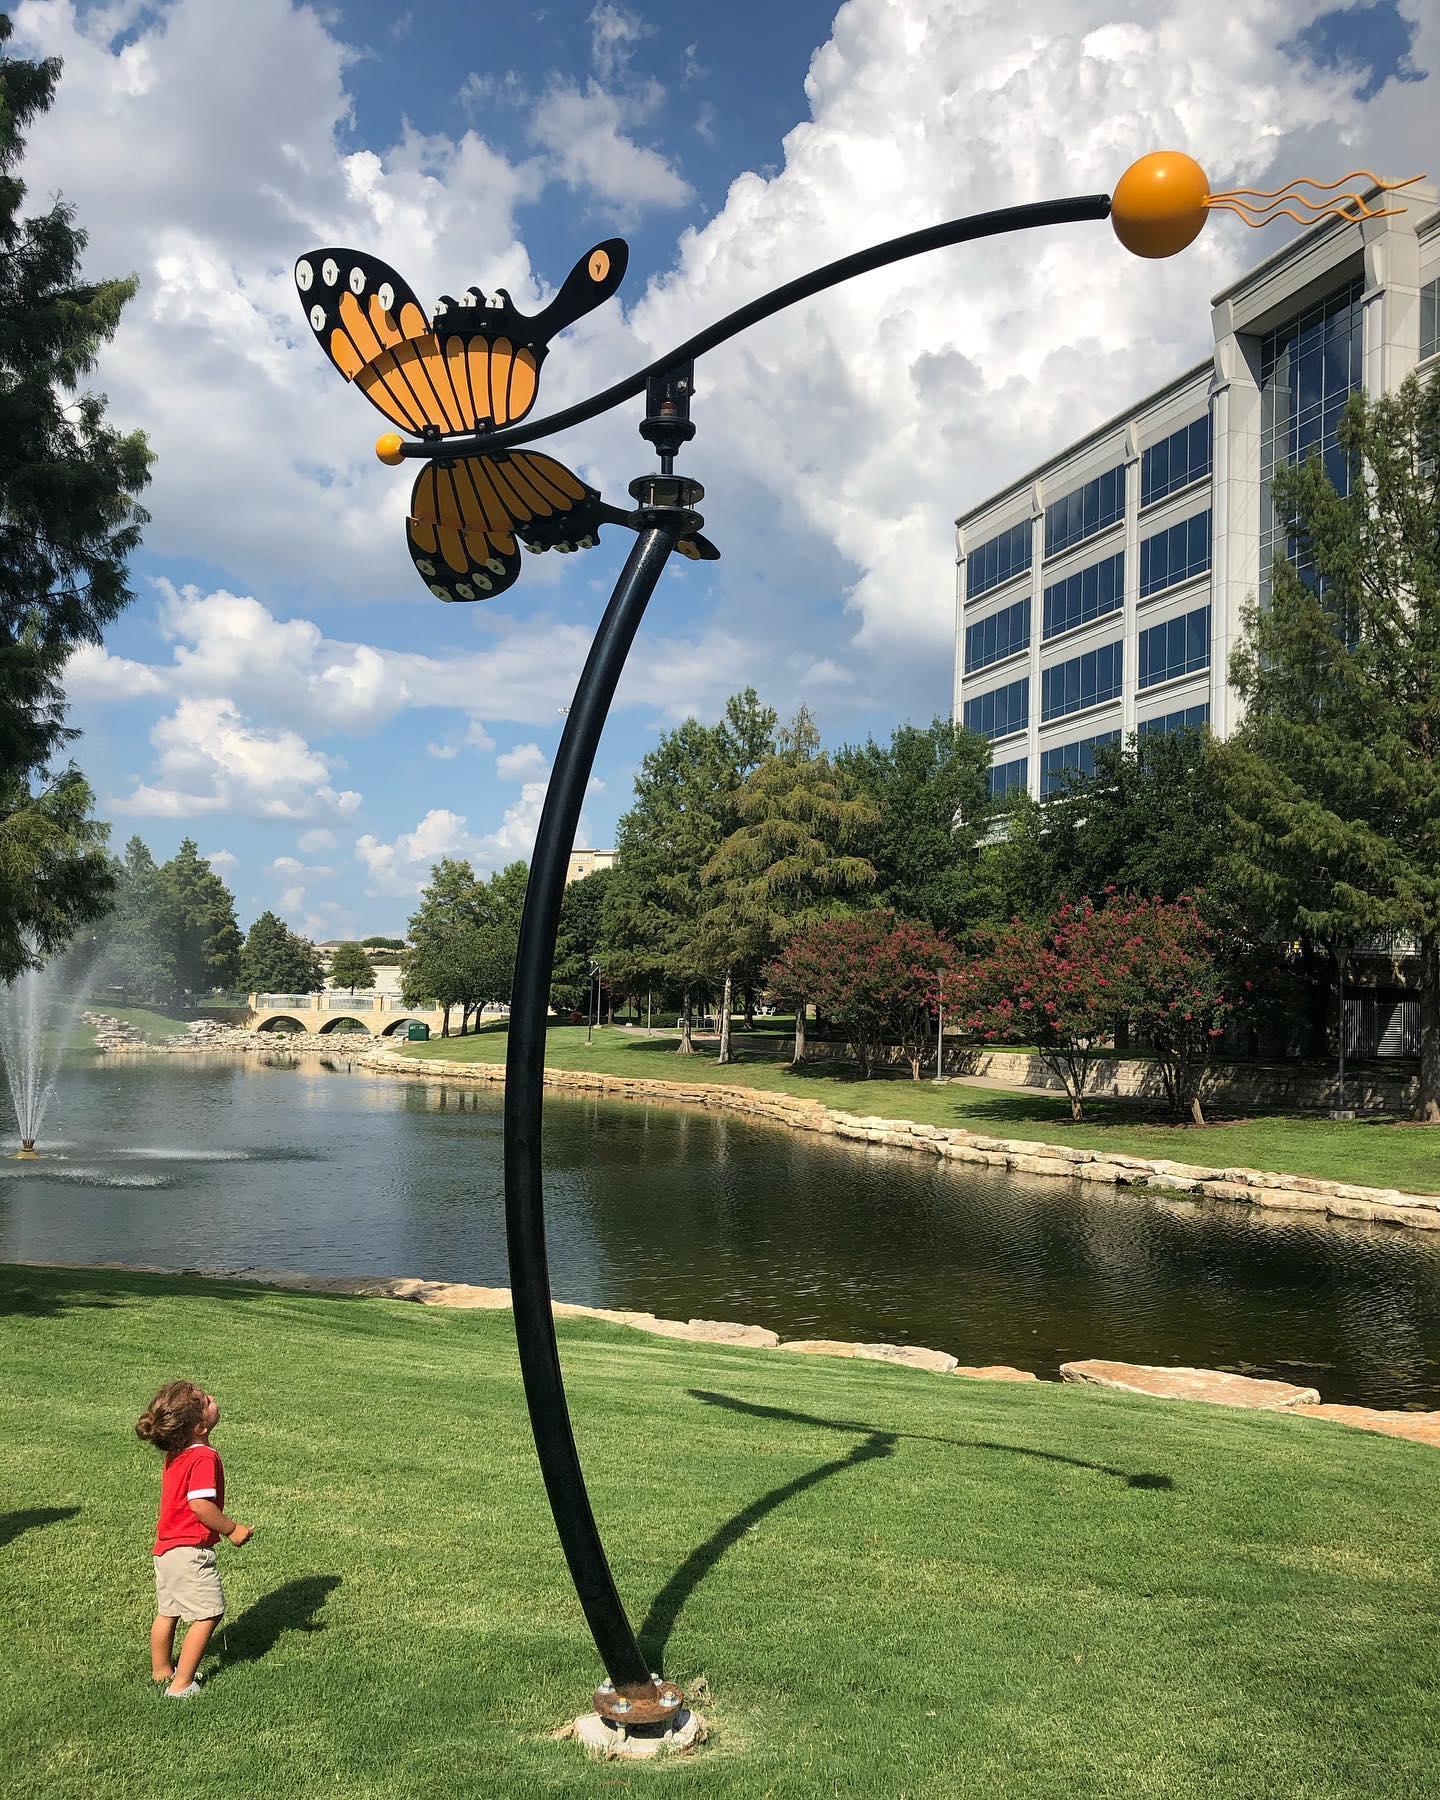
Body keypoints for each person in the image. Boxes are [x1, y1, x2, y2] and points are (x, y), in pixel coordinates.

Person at [135, 1380, 252, 1697]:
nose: (213, 1397)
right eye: (205, 1401)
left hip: (165, 1549)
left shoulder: (177, 1453)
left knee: (168, 1611)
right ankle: (182, 1683)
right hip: (189, 1551)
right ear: (200, 1425)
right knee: (209, 1613)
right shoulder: (203, 1457)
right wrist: (232, 1529)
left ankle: (161, 1671)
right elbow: (200, 1505)